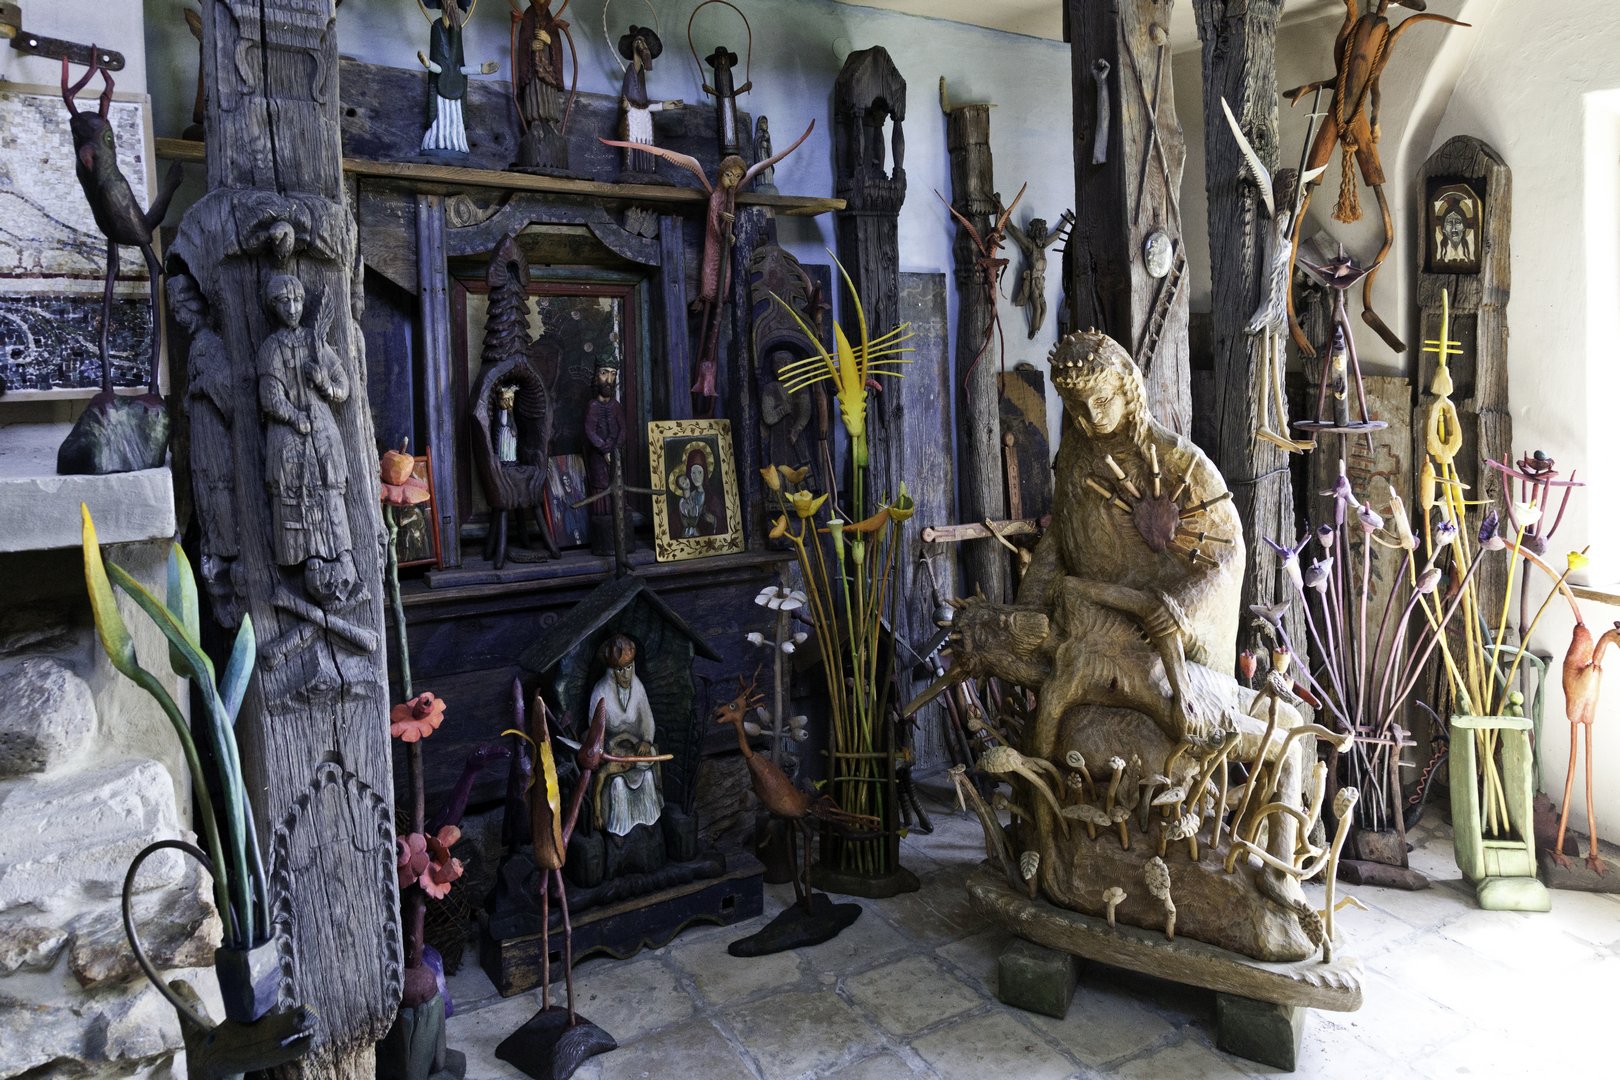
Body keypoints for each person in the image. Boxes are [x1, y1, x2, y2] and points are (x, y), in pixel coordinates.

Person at [257, 274, 353, 600]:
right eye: (285, 302)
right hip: (290, 433)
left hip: (323, 431)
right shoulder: (271, 348)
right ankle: (310, 558)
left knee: (331, 491)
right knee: (297, 495)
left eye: (297, 300)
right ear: (273, 306)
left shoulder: (316, 342)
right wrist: (294, 417)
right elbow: (270, 397)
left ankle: (343, 555)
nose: (293, 308)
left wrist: (324, 382)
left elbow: (343, 386)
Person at [586, 635, 663, 836]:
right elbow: (595, 731)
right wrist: (611, 747)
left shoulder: (638, 687)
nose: (626, 675)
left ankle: (648, 820)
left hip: (636, 749)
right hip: (612, 752)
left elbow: (647, 719)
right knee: (618, 784)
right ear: (612, 671)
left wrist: (646, 740)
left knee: (647, 775)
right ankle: (618, 830)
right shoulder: (600, 691)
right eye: (620, 670)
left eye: (629, 668)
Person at [617, 26, 681, 177]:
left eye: (644, 43)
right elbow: (631, 102)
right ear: (634, 44)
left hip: (644, 119)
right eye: (639, 42)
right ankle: (631, 171)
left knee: (647, 145)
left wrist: (663, 106)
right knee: (633, 144)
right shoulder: (631, 72)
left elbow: (644, 106)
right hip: (633, 119)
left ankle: (647, 172)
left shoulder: (640, 74)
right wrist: (627, 106)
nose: (643, 46)